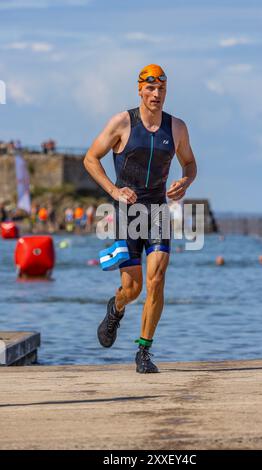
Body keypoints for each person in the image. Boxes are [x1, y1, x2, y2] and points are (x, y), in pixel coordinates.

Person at [84, 64, 197, 373]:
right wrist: (114, 190)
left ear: (166, 91)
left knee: (157, 280)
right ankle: (116, 307)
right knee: (132, 289)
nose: (156, 94)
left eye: (161, 89)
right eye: (150, 89)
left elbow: (190, 164)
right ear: (140, 89)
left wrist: (185, 182)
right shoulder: (122, 123)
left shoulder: (177, 128)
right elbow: (90, 158)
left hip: (158, 210)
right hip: (126, 212)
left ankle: (143, 352)